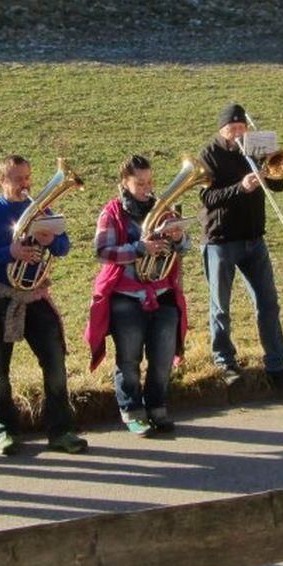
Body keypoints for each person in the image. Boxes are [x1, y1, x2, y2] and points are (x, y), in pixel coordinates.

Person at [0, 154, 88, 456]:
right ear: (2, 182)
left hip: (34, 296)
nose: (25, 184)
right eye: (18, 179)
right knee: (0, 371)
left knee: (55, 363)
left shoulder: (43, 209)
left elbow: (64, 247)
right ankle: (5, 432)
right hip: (0, 297)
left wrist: (48, 242)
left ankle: (61, 431)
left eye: (28, 177)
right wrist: (10, 251)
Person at [84, 155, 191, 435]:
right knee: (129, 357)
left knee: (163, 356)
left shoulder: (163, 209)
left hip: (162, 292)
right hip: (126, 295)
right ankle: (131, 409)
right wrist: (139, 249)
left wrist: (178, 238)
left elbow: (186, 247)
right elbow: (102, 251)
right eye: (139, 183)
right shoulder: (112, 212)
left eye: (149, 182)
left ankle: (157, 406)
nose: (146, 188)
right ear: (125, 182)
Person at [197, 102, 283, 388]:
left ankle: (276, 364)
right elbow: (207, 199)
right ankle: (224, 361)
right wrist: (242, 187)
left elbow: (277, 186)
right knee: (221, 307)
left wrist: (270, 169)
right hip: (221, 241)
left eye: (242, 128)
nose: (238, 134)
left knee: (268, 303)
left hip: (254, 239)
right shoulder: (208, 154)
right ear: (221, 128)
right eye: (233, 129)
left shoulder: (253, 148)